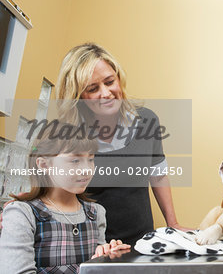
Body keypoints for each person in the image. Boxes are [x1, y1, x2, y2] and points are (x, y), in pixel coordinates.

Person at [55, 42, 189, 246]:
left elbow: (158, 173)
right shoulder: (68, 136)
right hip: (93, 246)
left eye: (110, 81)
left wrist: (173, 223)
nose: (106, 93)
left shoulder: (147, 121)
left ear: (119, 78)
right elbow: (54, 191)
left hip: (142, 243)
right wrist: (27, 205)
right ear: (78, 96)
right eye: (93, 89)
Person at [0, 123, 130, 274]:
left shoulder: (96, 213)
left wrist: (111, 258)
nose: (87, 169)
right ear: (43, 164)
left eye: (91, 159)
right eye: (75, 161)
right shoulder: (22, 214)